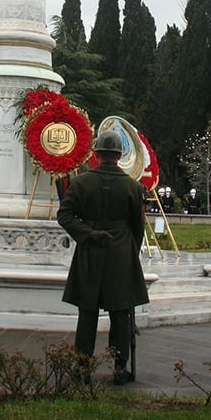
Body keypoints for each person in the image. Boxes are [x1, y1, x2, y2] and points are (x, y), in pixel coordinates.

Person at [58, 130, 150, 385]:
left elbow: (64, 216)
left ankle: (82, 366)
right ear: (120, 155)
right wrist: (131, 252)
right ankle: (120, 367)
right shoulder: (133, 187)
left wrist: (87, 234)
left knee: (87, 313)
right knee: (120, 314)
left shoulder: (80, 183)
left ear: (96, 154)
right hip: (121, 253)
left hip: (90, 251)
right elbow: (137, 226)